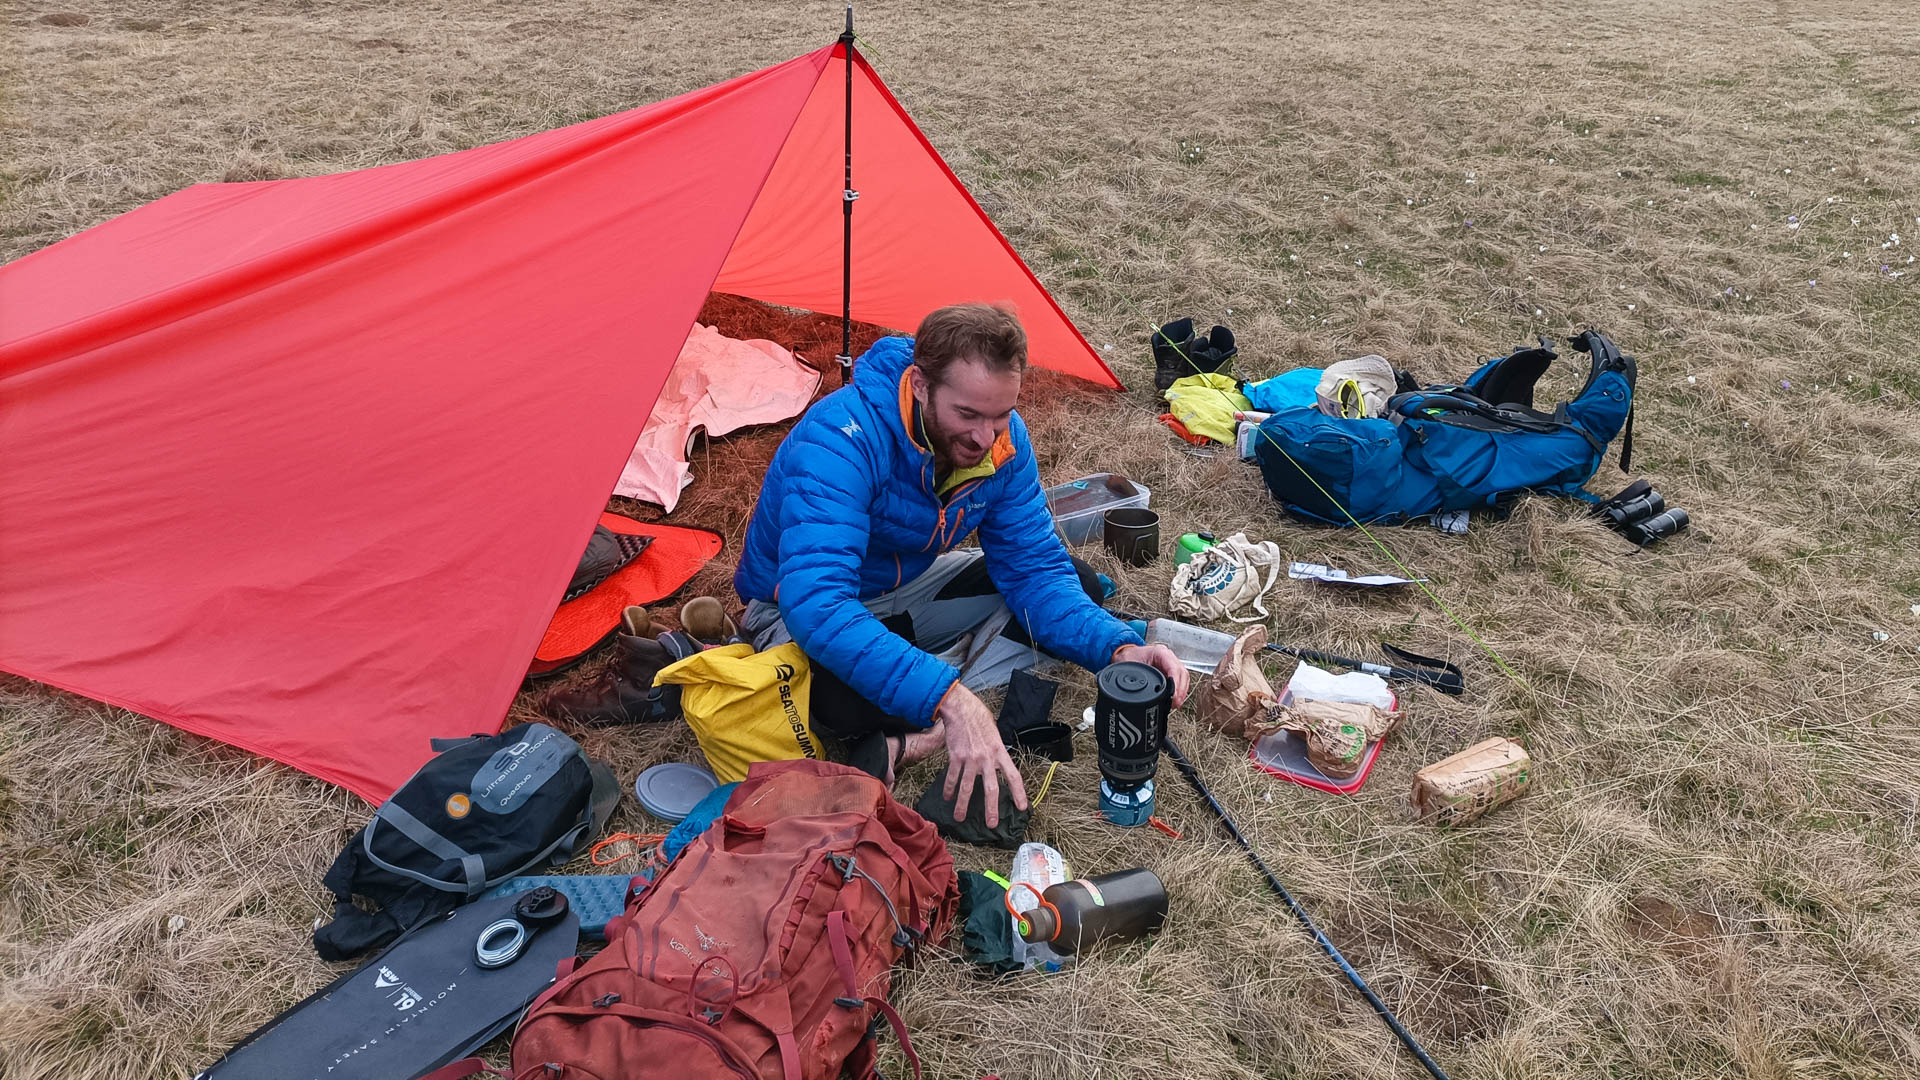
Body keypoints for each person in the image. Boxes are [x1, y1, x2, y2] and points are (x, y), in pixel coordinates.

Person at [735, 303, 1189, 827]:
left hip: (907, 586)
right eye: (968, 415)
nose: (985, 438)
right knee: (838, 698)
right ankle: (936, 693)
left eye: (1000, 415)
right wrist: (949, 698)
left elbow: (1035, 569)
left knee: (1077, 590)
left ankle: (924, 692)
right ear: (921, 384)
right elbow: (818, 606)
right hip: (793, 609)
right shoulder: (840, 441)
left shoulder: (1004, 442)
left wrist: (1117, 648)